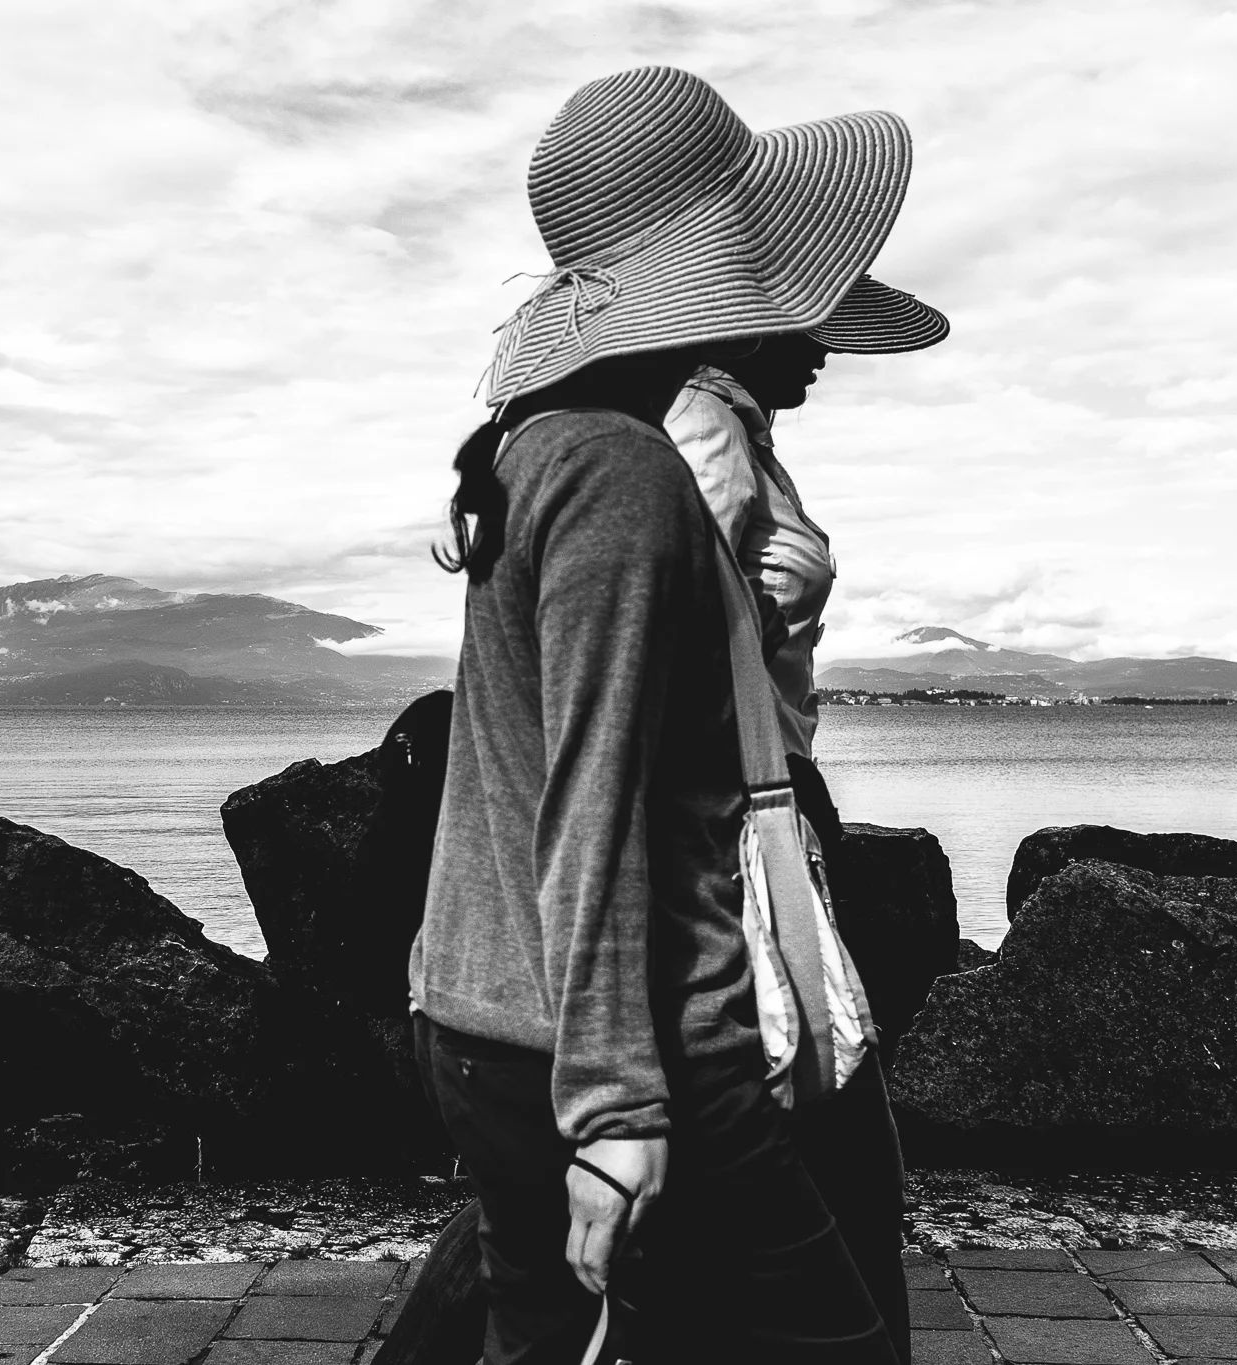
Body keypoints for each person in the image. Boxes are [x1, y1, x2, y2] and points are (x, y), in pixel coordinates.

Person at [407, 66, 942, 1363]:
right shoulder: (620, 469)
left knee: (554, 1330)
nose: (817, 333)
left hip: (500, 1013)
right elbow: (595, 798)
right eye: (785, 287)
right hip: (634, 1038)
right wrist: (612, 1109)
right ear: (712, 295)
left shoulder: (544, 446)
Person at [662, 302, 947, 1362]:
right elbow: (669, 628)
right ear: (747, 323)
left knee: (809, 1139)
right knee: (833, 1148)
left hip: (766, 792)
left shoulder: (740, 432)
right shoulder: (700, 419)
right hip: (741, 806)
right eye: (811, 324)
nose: (827, 350)